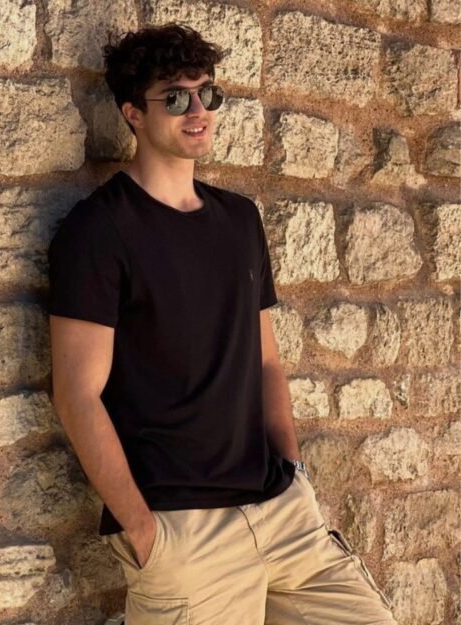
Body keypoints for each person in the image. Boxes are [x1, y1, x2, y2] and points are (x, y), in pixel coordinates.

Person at [47, 22, 397, 625]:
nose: (198, 111)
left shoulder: (239, 220)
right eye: (175, 98)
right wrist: (144, 532)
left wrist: (295, 472)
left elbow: (266, 361)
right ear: (133, 113)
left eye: (207, 93)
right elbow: (77, 393)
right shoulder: (99, 231)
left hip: (283, 513)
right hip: (185, 531)